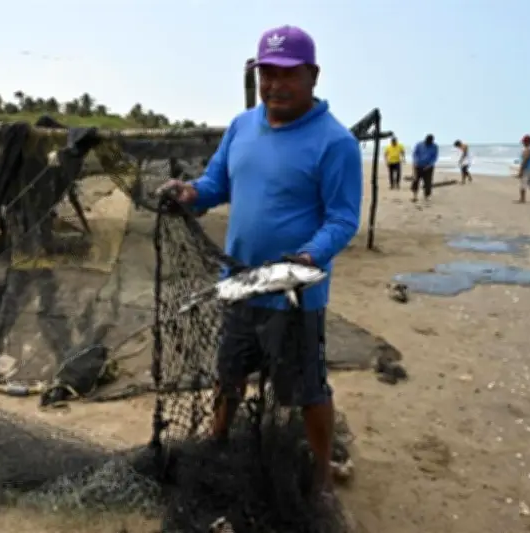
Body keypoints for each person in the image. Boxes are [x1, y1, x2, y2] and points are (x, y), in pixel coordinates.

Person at [158, 25, 362, 493]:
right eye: (266, 72)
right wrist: (189, 194)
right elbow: (215, 185)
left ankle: (321, 473)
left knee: (306, 391)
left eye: (287, 74)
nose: (275, 84)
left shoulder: (336, 143)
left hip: (295, 298)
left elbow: (343, 219)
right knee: (228, 375)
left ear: (313, 76)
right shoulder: (241, 125)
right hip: (238, 285)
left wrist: (311, 254)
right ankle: (217, 444)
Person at [411, 134, 439, 202]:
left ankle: (427, 196)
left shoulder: (435, 146)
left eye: (429, 142)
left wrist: (429, 165)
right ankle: (415, 196)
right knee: (415, 181)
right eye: (427, 141)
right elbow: (415, 154)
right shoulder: (419, 144)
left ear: (432, 141)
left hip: (429, 167)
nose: (428, 143)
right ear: (425, 139)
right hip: (418, 166)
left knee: (428, 182)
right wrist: (415, 162)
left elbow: (435, 157)